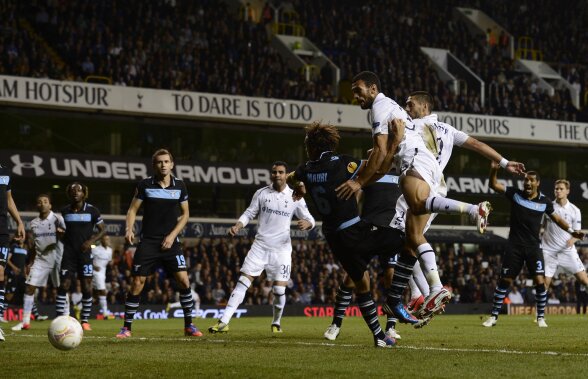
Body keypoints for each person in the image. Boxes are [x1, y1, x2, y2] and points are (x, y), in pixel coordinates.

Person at [335, 72, 492, 324]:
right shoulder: (389, 109)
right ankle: (406, 297)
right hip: (425, 165)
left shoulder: (379, 107)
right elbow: (382, 160)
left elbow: (381, 154)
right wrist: (367, 174)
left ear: (373, 89)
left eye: (358, 90)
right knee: (409, 238)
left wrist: (358, 182)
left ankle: (473, 211)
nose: (355, 96)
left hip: (416, 162)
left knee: (416, 211)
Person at [402, 91, 526, 320]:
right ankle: (420, 295)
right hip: (436, 186)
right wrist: (505, 162)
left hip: (422, 183)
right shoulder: (448, 129)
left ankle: (428, 292)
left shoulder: (412, 126)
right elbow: (477, 144)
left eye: (411, 103)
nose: (407, 106)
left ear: (425, 105)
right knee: (409, 239)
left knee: (407, 236)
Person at [289, 121, 406, 348]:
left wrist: (301, 187)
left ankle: (379, 336)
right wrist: (394, 144)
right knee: (405, 238)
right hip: (354, 231)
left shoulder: (306, 169)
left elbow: (293, 178)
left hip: (334, 236)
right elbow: (379, 167)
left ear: (312, 146)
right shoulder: (343, 163)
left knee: (362, 283)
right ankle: (405, 301)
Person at [208, 161, 315, 334]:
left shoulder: (295, 196)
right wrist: (238, 225)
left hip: (281, 250)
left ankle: (276, 322)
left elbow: (310, 219)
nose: (277, 175)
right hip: (260, 246)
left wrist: (307, 224)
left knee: (279, 290)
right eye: (274, 172)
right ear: (271, 174)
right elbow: (249, 212)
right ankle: (223, 321)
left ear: (286, 175)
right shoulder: (262, 193)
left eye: (280, 172)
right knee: (242, 282)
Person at [483, 164, 585, 328]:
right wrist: (494, 170)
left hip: (534, 248)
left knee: (539, 281)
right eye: (525, 180)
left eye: (531, 180)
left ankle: (541, 318)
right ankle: (493, 317)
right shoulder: (515, 194)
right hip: (514, 246)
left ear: (537, 183)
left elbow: (558, 220)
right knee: (505, 281)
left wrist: (573, 232)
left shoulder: (544, 202)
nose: (527, 183)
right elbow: (493, 185)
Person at [117, 149, 202, 339]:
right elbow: (132, 210)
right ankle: (126, 328)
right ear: (154, 165)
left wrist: (172, 236)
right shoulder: (145, 184)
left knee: (184, 281)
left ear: (172, 164)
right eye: (159, 162)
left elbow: (186, 215)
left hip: (171, 241)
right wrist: (129, 229)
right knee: (138, 282)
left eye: (166, 162)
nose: (163, 165)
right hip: (148, 241)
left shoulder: (180, 186)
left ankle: (189, 326)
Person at [323, 166, 403, 341]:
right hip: (368, 230)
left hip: (393, 231)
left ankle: (390, 327)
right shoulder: (371, 171)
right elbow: (355, 196)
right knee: (352, 276)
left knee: (391, 276)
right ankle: (336, 324)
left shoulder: (402, 174)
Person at [56, 182, 106, 331]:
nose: (75, 193)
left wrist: (90, 241)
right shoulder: (64, 211)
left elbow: (103, 230)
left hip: (85, 254)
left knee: (86, 286)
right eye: (72, 190)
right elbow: (62, 233)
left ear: (84, 193)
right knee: (64, 285)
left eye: (79, 190)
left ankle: (84, 320)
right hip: (68, 254)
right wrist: (61, 235)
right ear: (69, 194)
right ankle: (60, 318)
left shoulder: (92, 210)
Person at [12, 194, 65, 331]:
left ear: (50, 205)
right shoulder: (34, 223)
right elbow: (34, 245)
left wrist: (62, 234)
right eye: (39, 202)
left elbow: (68, 236)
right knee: (29, 287)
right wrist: (30, 262)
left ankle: (66, 318)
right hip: (41, 260)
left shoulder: (58, 219)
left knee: (61, 289)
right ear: (37, 205)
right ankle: (25, 322)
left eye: (45, 201)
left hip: (58, 259)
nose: (42, 204)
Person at [541, 179, 587, 290]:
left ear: (567, 191)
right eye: (556, 189)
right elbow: (541, 226)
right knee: (543, 285)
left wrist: (572, 240)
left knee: (584, 280)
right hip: (549, 251)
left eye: (561, 189)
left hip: (567, 251)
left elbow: (577, 233)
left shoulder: (575, 210)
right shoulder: (548, 207)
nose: (558, 191)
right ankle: (539, 308)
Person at [0, 162, 25, 342]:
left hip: (2, 228)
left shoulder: (5, 171)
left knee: (0, 274)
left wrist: (19, 221)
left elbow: (8, 199)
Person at [92, 234, 113, 318]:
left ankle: (79, 307)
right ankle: (105, 313)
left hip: (103, 273)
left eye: (108, 239)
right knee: (103, 291)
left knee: (95, 295)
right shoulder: (95, 249)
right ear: (101, 241)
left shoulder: (110, 250)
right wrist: (94, 266)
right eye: (105, 239)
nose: (107, 241)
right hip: (96, 273)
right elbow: (88, 259)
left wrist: (111, 264)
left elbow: (109, 261)